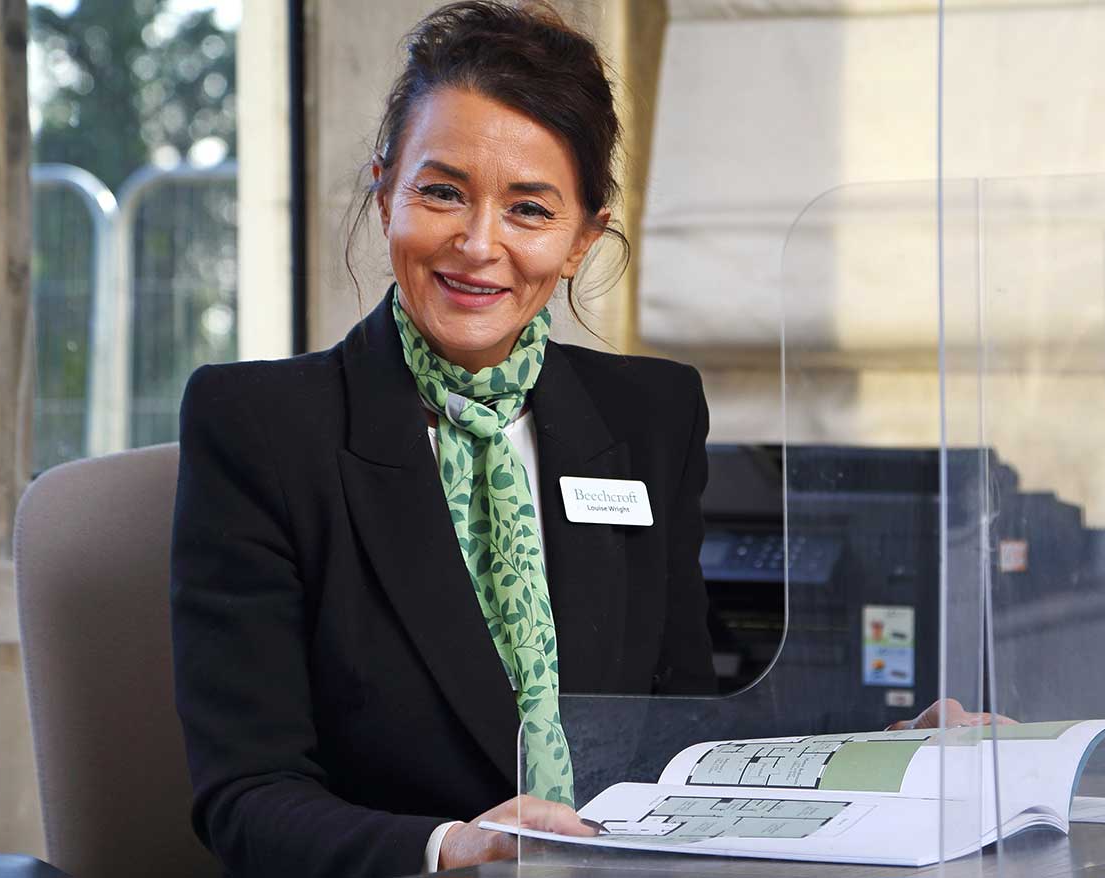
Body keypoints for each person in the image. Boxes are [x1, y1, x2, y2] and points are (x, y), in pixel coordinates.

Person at [170, 4, 997, 876]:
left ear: (582, 239)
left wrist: (887, 749)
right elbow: (247, 797)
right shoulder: (259, 428)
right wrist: (453, 848)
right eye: (441, 192)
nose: (478, 244)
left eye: (529, 209)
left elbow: (685, 729)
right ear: (385, 195)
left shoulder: (650, 415)